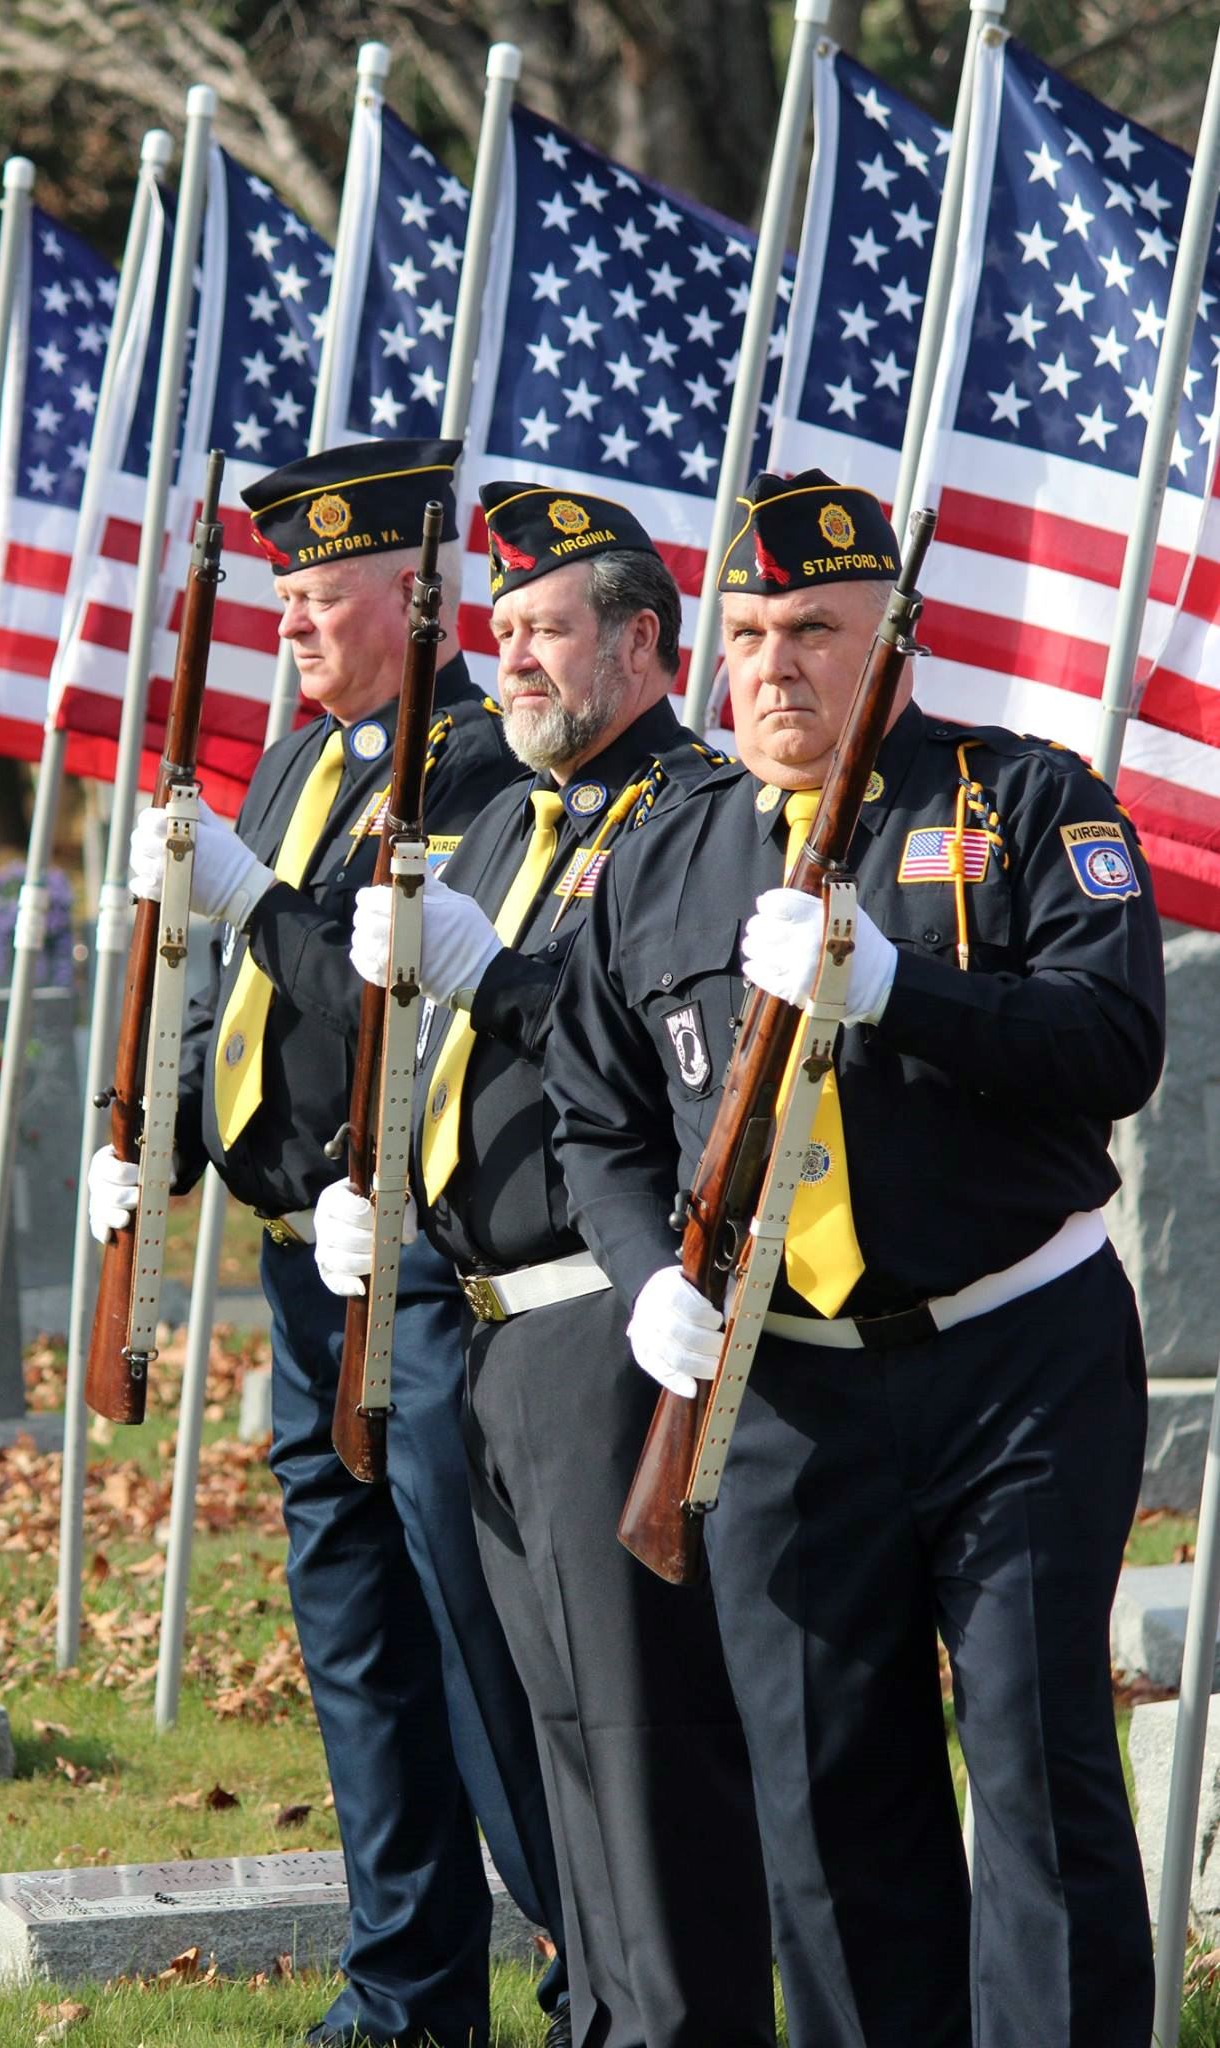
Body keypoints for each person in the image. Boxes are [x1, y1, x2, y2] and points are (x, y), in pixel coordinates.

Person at [546, 468, 1164, 2048]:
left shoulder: (1025, 802)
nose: (774, 666)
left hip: (1012, 1367)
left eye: (815, 630)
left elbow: (1112, 1038)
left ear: (894, 634)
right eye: (746, 633)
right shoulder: (661, 856)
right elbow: (596, 1118)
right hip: (778, 1392)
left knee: (1032, 1779)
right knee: (824, 1806)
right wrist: (647, 1281)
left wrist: (895, 988)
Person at [87, 439, 567, 2048]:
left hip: (423, 1268)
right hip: (307, 1265)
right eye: (281, 598)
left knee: (472, 1638)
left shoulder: (481, 771)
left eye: (322, 596)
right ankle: (408, 1991)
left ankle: (601, 1967)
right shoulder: (304, 762)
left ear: (416, 600)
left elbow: (396, 997)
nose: (290, 625)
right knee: (356, 1644)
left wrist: (245, 898)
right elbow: (241, 1016)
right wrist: (150, 1155)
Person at [313, 481, 776, 2048]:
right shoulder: (510, 813)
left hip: (606, 1316)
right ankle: (599, 2015)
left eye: (544, 632)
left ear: (643, 644)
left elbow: (651, 1070)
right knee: (548, 1733)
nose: (510, 662)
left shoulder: (698, 814)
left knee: (642, 1742)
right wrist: (358, 1188)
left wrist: (494, 975)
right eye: (499, 633)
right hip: (481, 1326)